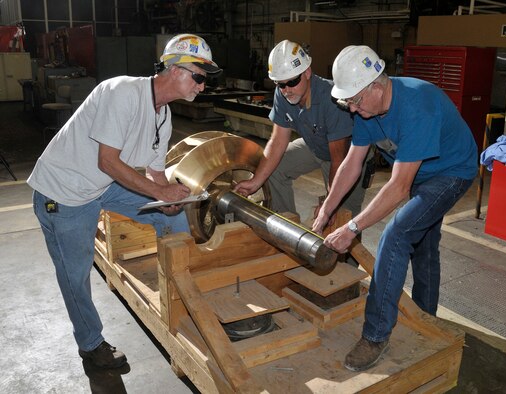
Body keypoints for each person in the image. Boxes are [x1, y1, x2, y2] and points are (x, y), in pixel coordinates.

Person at [27, 34, 221, 369]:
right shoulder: (123, 93)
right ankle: (91, 345)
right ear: (175, 70)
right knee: (75, 274)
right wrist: (159, 193)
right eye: (199, 77)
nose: (202, 87)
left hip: (102, 185)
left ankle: (178, 294)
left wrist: (168, 200)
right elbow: (109, 162)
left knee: (173, 218)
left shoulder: (163, 115)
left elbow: (155, 173)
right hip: (65, 192)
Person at [312, 45, 478, 372]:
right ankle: (426, 317)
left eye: (356, 101)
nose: (354, 110)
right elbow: (351, 164)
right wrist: (326, 211)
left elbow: (399, 187)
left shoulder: (418, 104)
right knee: (424, 243)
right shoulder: (366, 109)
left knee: (398, 234)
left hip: (452, 171)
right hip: (419, 171)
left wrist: (353, 228)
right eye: (349, 103)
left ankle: (375, 335)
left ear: (378, 86)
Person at [234, 40, 365, 221]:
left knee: (342, 219)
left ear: (307, 72)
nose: (287, 90)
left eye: (293, 82)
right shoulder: (283, 94)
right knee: (272, 169)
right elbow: (278, 141)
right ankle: (287, 226)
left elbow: (338, 159)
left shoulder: (331, 99)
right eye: (280, 84)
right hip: (316, 143)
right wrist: (256, 181)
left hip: (349, 155)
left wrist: (329, 203)